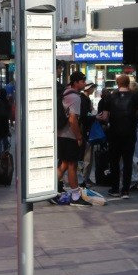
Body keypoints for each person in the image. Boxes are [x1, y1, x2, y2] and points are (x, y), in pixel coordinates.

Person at [100, 74, 138, 198]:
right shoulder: (135, 97)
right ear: (128, 83)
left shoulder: (110, 97)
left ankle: (115, 189)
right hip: (129, 133)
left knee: (114, 161)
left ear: (117, 83)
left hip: (114, 133)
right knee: (128, 162)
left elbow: (106, 117)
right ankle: (126, 191)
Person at [54, 71, 89, 206]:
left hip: (61, 133)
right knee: (72, 165)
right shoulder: (75, 97)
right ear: (76, 83)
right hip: (69, 135)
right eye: (82, 82)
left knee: (63, 164)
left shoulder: (65, 92)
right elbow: (73, 119)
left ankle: (51, 190)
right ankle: (75, 195)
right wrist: (79, 136)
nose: (84, 84)